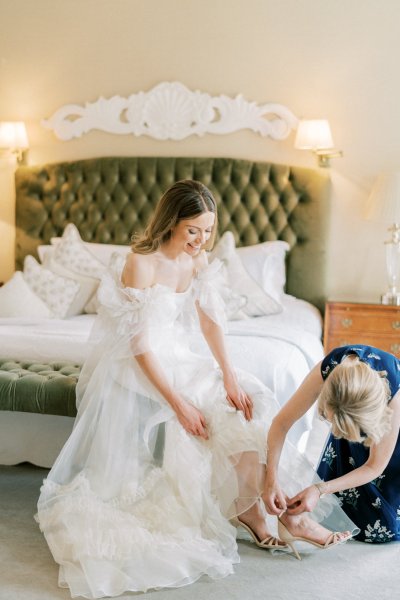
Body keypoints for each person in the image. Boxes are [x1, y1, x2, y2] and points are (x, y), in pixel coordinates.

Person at [36, 180, 355, 598]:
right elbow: (140, 346)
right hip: (143, 367)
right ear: (171, 222)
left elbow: (209, 321)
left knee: (247, 403)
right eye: (193, 231)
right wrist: (179, 403)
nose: (200, 241)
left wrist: (229, 374)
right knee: (198, 416)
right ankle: (260, 517)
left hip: (182, 358)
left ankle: (260, 510)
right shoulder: (141, 263)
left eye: (207, 231)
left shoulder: (199, 261)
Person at [263, 344, 400, 552]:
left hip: (390, 446)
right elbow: (281, 423)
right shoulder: (330, 369)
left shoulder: (395, 394)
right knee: (337, 512)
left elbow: (374, 467)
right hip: (354, 424)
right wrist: (270, 479)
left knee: (382, 528)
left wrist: (320, 489)